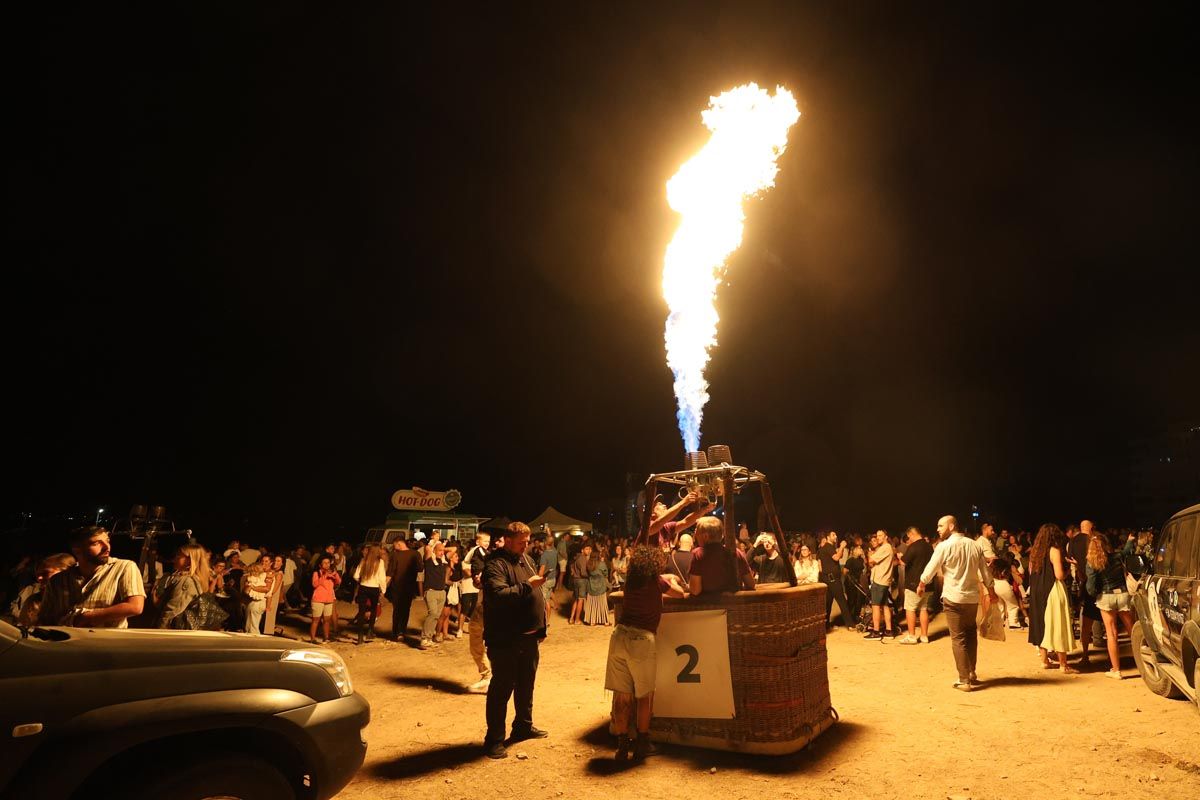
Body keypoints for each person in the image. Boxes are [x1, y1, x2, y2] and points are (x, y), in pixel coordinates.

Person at [607, 544, 686, 761]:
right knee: (644, 697)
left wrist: (665, 576)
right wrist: (672, 580)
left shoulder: (631, 580)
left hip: (619, 636)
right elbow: (679, 594)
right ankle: (642, 743)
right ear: (655, 564)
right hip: (642, 639)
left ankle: (622, 746)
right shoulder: (657, 581)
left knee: (622, 697)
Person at [482, 522, 548, 760]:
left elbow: (535, 593)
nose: (526, 545)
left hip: (529, 639)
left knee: (525, 686)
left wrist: (541, 625)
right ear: (508, 540)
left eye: (527, 541)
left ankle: (522, 726)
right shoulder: (495, 565)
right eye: (522, 542)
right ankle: (494, 739)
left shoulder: (525, 559)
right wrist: (528, 586)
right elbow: (498, 596)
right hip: (506, 640)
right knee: (502, 690)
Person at [917, 516, 996, 691]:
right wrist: (991, 590)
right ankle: (972, 672)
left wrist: (922, 583)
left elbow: (930, 569)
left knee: (958, 638)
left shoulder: (943, 547)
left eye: (940, 525)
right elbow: (985, 572)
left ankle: (964, 679)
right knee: (970, 635)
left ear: (951, 526)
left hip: (953, 597)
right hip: (971, 598)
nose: (937, 529)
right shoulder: (974, 545)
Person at [39, 526, 146, 628]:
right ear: (77, 550)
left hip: (108, 643)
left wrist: (88, 617)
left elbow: (135, 607)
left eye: (107, 541)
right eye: (96, 543)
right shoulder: (57, 580)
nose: (106, 547)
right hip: (67, 643)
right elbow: (45, 617)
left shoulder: (124, 567)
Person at [1027, 523, 1077, 672]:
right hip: (1053, 590)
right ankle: (1063, 664)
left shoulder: (1034, 553)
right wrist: (1069, 569)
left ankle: (1044, 660)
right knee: (1058, 623)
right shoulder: (1054, 550)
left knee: (1041, 622)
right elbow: (1059, 575)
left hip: (1037, 591)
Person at [1086, 532, 1134, 679]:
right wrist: (1130, 540)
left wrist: (1095, 594)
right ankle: (1143, 661)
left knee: (1111, 634)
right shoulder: (1118, 556)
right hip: (1123, 595)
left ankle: (1116, 670)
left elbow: (1091, 587)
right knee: (1132, 629)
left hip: (1106, 597)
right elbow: (1126, 551)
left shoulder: (1092, 562)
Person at [688, 517, 755, 595]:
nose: (695, 536)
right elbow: (750, 584)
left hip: (709, 605)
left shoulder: (698, 554)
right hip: (733, 605)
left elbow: (695, 590)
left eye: (697, 533)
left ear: (705, 536)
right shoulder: (736, 552)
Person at [154, 544, 211, 629]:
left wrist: (160, 632)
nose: (175, 559)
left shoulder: (186, 581)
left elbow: (172, 611)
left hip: (172, 633)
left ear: (189, 560)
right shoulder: (191, 579)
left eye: (178, 556)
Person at [10, 553, 75, 626]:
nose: (39, 578)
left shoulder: (82, 599)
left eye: (45, 573)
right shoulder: (33, 601)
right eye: (38, 575)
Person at [897, 526, 934, 644]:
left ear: (912, 534)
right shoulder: (929, 546)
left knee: (910, 608)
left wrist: (899, 557)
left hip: (914, 583)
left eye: (909, 536)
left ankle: (912, 636)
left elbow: (903, 562)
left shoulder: (913, 547)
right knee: (923, 609)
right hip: (927, 583)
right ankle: (924, 636)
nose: (909, 539)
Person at [386, 538, 422, 643]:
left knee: (397, 610)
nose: (394, 547)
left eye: (394, 545)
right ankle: (402, 631)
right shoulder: (415, 554)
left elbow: (390, 572)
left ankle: (395, 632)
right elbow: (420, 568)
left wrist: (384, 586)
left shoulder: (394, 555)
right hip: (409, 587)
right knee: (406, 610)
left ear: (399, 544)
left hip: (396, 587)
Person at [351, 544, 389, 644]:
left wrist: (362, 581)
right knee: (373, 610)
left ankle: (360, 637)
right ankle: (370, 631)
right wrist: (383, 591)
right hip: (374, 588)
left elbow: (355, 576)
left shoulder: (364, 560)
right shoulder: (380, 562)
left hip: (363, 587)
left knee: (361, 611)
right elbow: (382, 578)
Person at [817, 532, 854, 629]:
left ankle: (825, 625)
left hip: (828, 578)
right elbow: (837, 557)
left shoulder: (827, 547)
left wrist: (839, 549)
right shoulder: (828, 546)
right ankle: (850, 624)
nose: (836, 536)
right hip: (832, 579)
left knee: (828, 602)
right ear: (828, 537)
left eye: (836, 535)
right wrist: (842, 546)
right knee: (842, 600)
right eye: (833, 535)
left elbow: (838, 556)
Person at [864, 530, 896, 640]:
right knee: (885, 606)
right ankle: (889, 630)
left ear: (886, 536)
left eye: (880, 535)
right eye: (877, 536)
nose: (878, 538)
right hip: (884, 580)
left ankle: (876, 632)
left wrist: (869, 554)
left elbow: (870, 561)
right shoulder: (887, 548)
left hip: (879, 581)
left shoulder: (885, 547)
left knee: (875, 606)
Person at [419, 540, 449, 649]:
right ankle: (424, 638)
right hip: (431, 591)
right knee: (432, 614)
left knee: (436, 616)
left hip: (441, 592)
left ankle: (429, 638)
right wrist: (434, 544)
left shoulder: (442, 561)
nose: (442, 552)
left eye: (443, 551)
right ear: (434, 551)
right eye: (439, 550)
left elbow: (453, 550)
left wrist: (443, 548)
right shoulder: (429, 561)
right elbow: (427, 548)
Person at [310, 555, 340, 643]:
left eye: (328, 563)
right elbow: (314, 584)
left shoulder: (332, 573)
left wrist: (335, 575)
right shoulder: (317, 573)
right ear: (320, 565)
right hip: (318, 599)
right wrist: (324, 576)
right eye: (325, 563)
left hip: (329, 599)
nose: (327, 565)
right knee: (316, 620)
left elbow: (338, 582)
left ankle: (326, 637)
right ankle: (313, 638)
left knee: (327, 620)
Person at [242, 559, 273, 635]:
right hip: (252, 601)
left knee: (253, 626)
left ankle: (255, 640)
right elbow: (245, 590)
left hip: (259, 601)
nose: (263, 565)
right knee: (248, 624)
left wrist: (253, 587)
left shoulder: (266, 577)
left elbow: (267, 590)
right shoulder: (251, 578)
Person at [583, 545, 611, 626]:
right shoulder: (601, 564)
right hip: (601, 586)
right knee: (602, 603)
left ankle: (592, 621)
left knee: (592, 604)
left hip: (591, 586)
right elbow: (606, 573)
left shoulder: (589, 564)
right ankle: (605, 621)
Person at [569, 542, 592, 625]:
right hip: (581, 580)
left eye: (589, 549)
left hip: (575, 580)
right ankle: (577, 619)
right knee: (581, 599)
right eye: (586, 549)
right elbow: (583, 573)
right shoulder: (583, 559)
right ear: (582, 550)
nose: (588, 551)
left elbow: (572, 566)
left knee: (576, 599)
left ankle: (571, 618)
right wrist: (590, 575)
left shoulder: (578, 557)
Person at [537, 532, 559, 618]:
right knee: (548, 597)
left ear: (545, 543)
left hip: (545, 580)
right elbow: (551, 542)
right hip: (553, 579)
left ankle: (547, 620)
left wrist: (538, 577)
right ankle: (548, 620)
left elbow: (541, 572)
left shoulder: (544, 555)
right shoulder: (554, 551)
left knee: (545, 601)